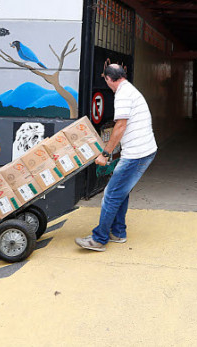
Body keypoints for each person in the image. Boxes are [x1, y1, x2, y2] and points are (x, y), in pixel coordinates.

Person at [76, 64, 158, 252]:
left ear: (109, 79)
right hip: (143, 151)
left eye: (105, 79)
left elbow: (120, 126)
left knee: (111, 194)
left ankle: (99, 239)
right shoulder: (129, 90)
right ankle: (118, 232)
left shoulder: (122, 94)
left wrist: (105, 154)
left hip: (137, 154)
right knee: (121, 191)